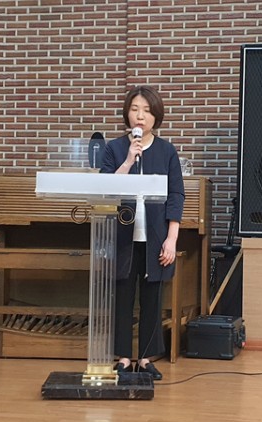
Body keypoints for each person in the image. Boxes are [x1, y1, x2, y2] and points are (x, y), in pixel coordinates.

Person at [100, 85, 185, 380]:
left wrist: (171, 239)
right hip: (123, 237)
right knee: (122, 298)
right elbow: (106, 190)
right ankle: (124, 358)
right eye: (135, 109)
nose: (140, 116)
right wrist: (128, 160)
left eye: (147, 111)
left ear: (156, 117)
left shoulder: (167, 151)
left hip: (155, 238)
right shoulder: (113, 149)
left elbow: (176, 195)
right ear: (127, 113)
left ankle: (146, 358)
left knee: (152, 298)